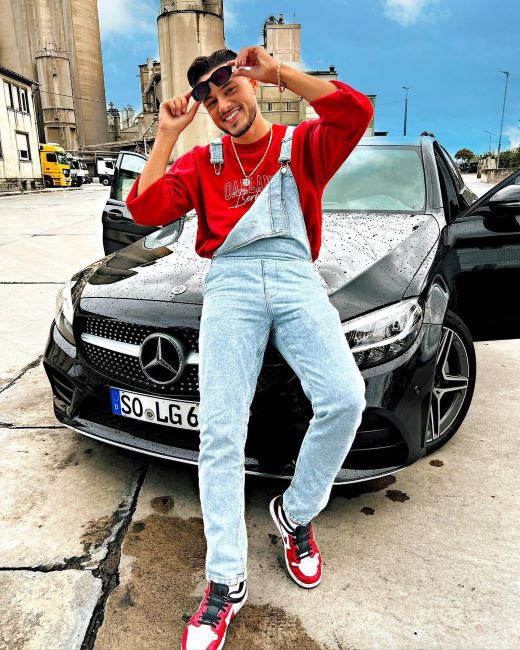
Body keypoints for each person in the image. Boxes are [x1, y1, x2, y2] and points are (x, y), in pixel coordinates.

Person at [126, 45, 373, 650]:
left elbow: (355, 113)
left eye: (227, 90)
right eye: (209, 101)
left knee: (345, 397)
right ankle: (224, 582)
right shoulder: (203, 161)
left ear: (249, 85)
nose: (221, 106)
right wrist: (166, 134)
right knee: (220, 431)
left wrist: (283, 73)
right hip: (231, 282)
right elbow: (142, 207)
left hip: (293, 276)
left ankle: (295, 513)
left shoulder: (302, 147)